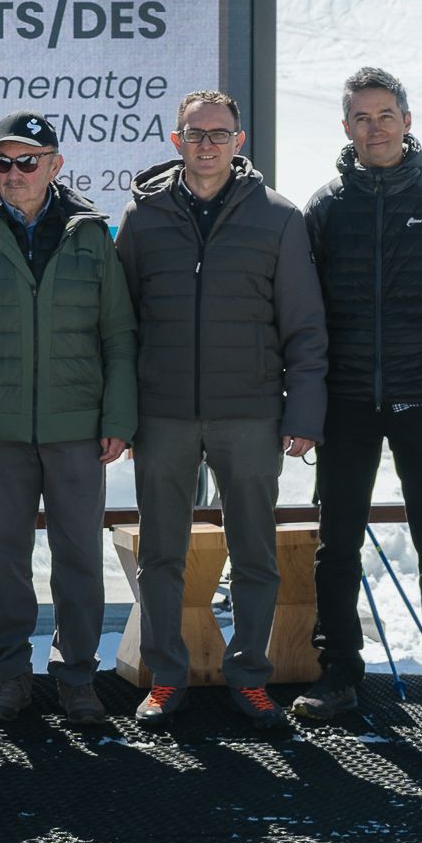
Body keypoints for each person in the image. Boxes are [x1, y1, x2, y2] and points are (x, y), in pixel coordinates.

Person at [117, 90, 326, 734]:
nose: (207, 144)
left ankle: (251, 675)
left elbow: (305, 326)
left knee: (255, 553)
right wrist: (121, 416)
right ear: (176, 141)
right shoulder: (142, 219)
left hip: (251, 414)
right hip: (165, 414)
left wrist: (304, 414)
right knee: (162, 553)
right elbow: (119, 327)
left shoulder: (280, 219)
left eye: (219, 133)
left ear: (239, 143)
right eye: (194, 133)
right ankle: (166, 676)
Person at [0, 112, 135, 728]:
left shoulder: (90, 232)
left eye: (28, 161)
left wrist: (118, 414)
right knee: (5, 556)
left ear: (55, 165)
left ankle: (77, 680)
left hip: (77, 426)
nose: (13, 174)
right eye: (3, 162)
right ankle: (11, 676)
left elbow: (118, 330)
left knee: (78, 557)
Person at [295, 68, 422, 741]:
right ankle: (339, 675)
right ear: (345, 128)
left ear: (407, 120)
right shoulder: (324, 208)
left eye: (385, 115)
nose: (374, 128)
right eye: (361, 117)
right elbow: (305, 306)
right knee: (336, 545)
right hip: (346, 401)